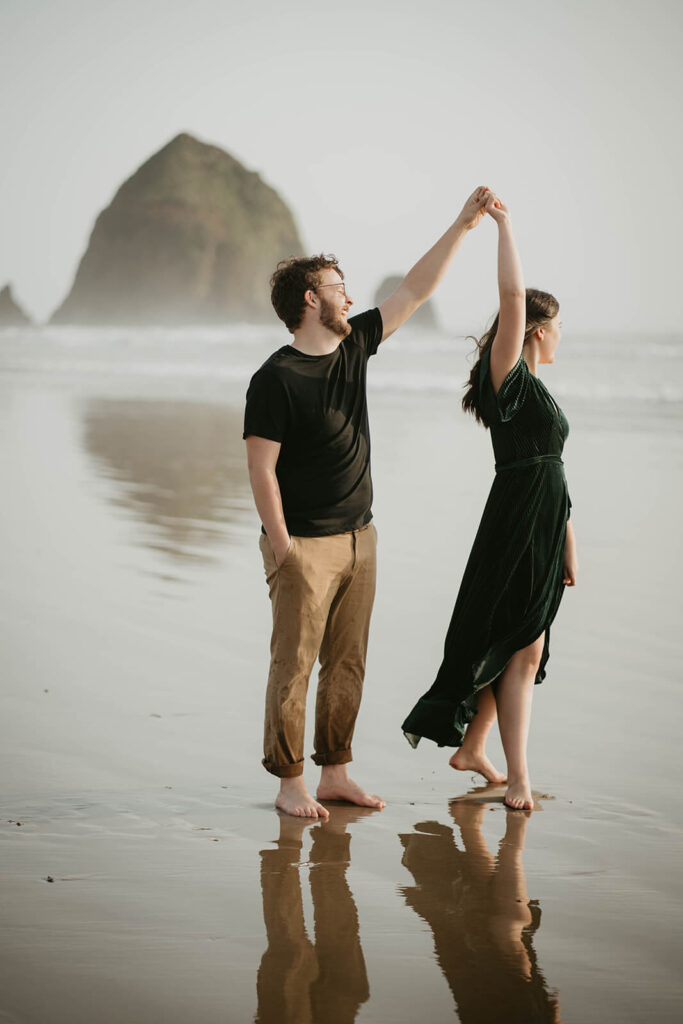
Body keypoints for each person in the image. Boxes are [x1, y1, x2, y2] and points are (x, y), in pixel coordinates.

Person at [244, 186, 490, 819]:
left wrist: (463, 223)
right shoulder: (275, 378)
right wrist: (283, 546)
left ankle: (335, 773)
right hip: (304, 544)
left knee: (347, 664)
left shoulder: (355, 344)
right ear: (310, 297)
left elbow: (414, 289)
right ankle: (290, 782)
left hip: (362, 537)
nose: (349, 296)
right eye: (338, 284)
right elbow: (261, 468)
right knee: (293, 666)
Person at [402, 191, 578, 811]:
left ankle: (475, 748)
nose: (562, 337)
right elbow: (510, 299)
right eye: (557, 327)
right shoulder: (510, 379)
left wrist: (566, 542)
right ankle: (519, 777)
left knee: (518, 643)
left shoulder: (540, 394)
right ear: (535, 330)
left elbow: (555, 473)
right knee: (522, 649)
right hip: (516, 525)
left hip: (540, 525)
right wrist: (503, 226)